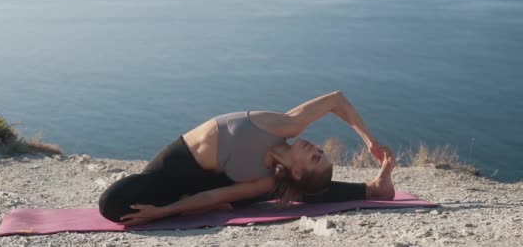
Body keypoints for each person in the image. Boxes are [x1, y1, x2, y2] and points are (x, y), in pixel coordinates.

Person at [98, 90, 396, 226]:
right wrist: (370, 141)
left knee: (291, 190)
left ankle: (373, 189)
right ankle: (372, 188)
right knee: (115, 203)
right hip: (179, 167)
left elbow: (215, 194)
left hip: (212, 184)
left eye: (316, 158)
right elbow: (336, 99)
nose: (317, 149)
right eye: (321, 152)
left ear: (295, 170)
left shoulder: (267, 181)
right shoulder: (283, 126)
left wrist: (165, 213)